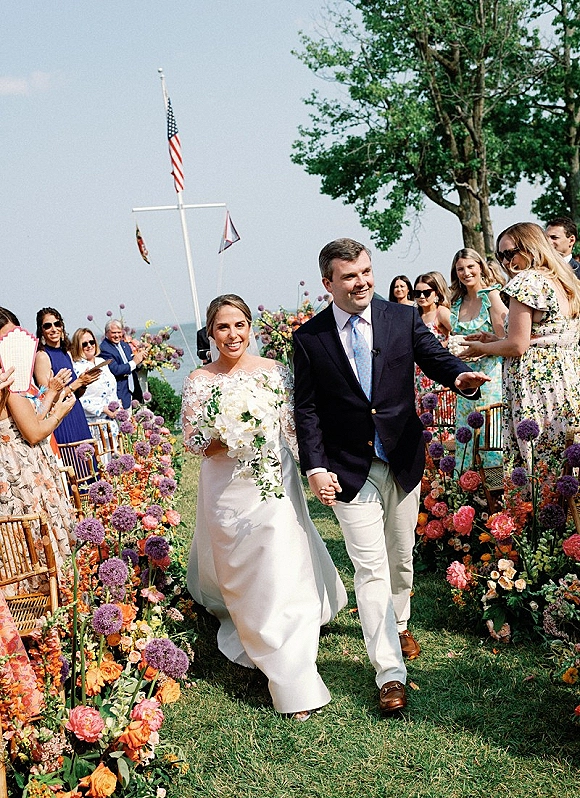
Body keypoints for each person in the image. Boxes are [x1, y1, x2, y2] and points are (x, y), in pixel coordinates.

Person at [293, 239, 489, 715]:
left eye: (366, 271)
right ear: (328, 283)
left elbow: (434, 356)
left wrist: (459, 376)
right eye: (349, 276)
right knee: (370, 567)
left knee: (401, 559)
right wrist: (315, 466)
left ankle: (399, 620)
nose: (361, 282)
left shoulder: (401, 318)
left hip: (402, 458)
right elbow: (308, 408)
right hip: (347, 470)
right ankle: (390, 672)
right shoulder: (309, 337)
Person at [181, 294, 347, 720]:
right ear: (211, 332)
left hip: (274, 484)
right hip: (226, 489)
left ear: (250, 327)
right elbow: (194, 442)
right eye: (222, 327)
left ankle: (290, 674)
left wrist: (317, 471)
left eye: (239, 325)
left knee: (278, 564)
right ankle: (253, 628)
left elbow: (293, 430)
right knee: (244, 571)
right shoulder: (200, 379)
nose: (232, 335)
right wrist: (232, 433)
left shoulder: (275, 372)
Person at [462, 222, 580, 476]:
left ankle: (534, 514)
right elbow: (543, 335)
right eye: (499, 256)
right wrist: (493, 338)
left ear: (530, 248)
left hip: (535, 384)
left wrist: (482, 346)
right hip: (567, 380)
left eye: (509, 253)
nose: (505, 262)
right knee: (565, 459)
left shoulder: (527, 281)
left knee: (538, 463)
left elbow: (518, 345)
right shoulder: (563, 280)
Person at [0, 307, 76, 571]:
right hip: (19, 474)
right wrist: (59, 414)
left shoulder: (13, 381)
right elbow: (32, 433)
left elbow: (28, 421)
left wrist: (52, 396)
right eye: (5, 339)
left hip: (32, 466)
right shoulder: (6, 382)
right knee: (32, 540)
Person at [449, 249, 507, 467]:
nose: (466, 272)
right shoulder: (456, 303)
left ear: (480, 267)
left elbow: (506, 340)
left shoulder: (491, 296)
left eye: (470, 266)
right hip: (465, 379)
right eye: (460, 269)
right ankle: (466, 491)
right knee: (466, 435)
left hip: (490, 376)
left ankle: (494, 489)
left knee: (490, 434)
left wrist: (482, 347)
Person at [33, 307, 100, 446]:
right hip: (60, 419)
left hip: (77, 413)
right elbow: (47, 398)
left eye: (57, 324)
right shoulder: (42, 356)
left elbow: (75, 393)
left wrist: (84, 382)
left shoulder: (66, 353)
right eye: (47, 326)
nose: (53, 329)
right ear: (41, 331)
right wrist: (78, 383)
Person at [70, 328, 119, 438]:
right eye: (84, 344)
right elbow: (78, 399)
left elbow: (111, 388)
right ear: (78, 346)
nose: (89, 346)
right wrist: (103, 409)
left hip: (112, 424)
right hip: (94, 426)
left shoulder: (102, 362)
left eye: (91, 342)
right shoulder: (76, 367)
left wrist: (116, 406)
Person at [413, 272, 452, 406]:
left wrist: (443, 344)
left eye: (426, 292)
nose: (422, 296)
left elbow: (459, 334)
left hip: (439, 372)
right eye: (417, 293)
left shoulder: (441, 312)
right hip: (419, 376)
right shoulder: (415, 316)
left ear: (436, 293)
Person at [99, 320, 146, 408]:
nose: (117, 335)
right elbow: (115, 370)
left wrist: (140, 361)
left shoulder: (125, 345)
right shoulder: (104, 349)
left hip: (134, 392)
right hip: (120, 394)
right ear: (106, 333)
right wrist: (134, 362)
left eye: (119, 332)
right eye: (113, 333)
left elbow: (132, 366)